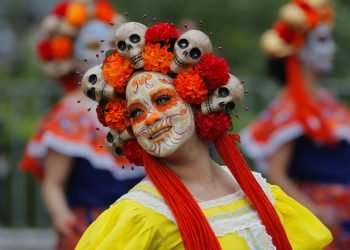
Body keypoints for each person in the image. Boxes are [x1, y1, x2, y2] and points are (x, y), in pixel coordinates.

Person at [75, 20, 333, 249]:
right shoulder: (140, 217)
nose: (150, 118)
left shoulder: (261, 192)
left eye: (163, 99)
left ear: (196, 101)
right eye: (135, 113)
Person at [20, 1, 144, 249]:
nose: (101, 51)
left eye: (109, 44)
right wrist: (62, 218)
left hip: (138, 222)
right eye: (90, 45)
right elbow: (53, 182)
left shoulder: (134, 99)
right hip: (89, 228)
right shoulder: (68, 114)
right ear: (69, 52)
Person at [241, 0, 350, 248]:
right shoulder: (290, 107)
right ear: (298, 50)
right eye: (322, 40)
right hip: (327, 219)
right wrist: (315, 210)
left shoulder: (325, 99)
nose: (332, 48)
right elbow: (277, 173)